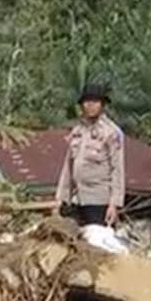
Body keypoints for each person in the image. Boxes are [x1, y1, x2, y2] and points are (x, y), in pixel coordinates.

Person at [54, 84, 125, 227]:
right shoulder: (78, 130)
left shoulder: (110, 132)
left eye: (95, 102)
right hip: (77, 198)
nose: (90, 105)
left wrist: (114, 204)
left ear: (102, 105)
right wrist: (60, 197)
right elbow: (68, 167)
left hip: (99, 201)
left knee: (96, 242)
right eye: (87, 102)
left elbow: (117, 170)